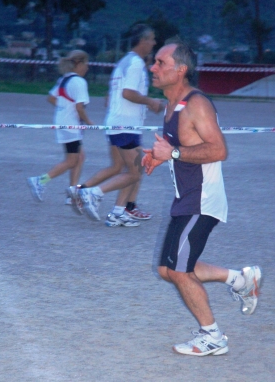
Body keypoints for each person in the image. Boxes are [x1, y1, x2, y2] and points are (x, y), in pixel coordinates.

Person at [141, 41, 262, 356]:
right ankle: (240, 279)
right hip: (187, 199)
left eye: (160, 63)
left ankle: (213, 337)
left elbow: (218, 150)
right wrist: (161, 157)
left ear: (180, 69)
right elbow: (178, 147)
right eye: (154, 62)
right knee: (168, 270)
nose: (153, 68)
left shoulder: (197, 104)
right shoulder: (172, 106)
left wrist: (174, 152)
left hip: (202, 201)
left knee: (180, 271)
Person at [68, 24, 163, 226]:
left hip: (120, 123)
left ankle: (118, 212)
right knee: (135, 171)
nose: (154, 43)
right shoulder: (136, 63)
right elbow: (127, 93)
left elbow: (112, 95)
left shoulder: (124, 61)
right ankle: (92, 193)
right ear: (143, 40)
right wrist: (151, 102)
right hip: (125, 125)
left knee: (127, 167)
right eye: (152, 39)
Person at [27, 50, 93, 203]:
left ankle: (73, 193)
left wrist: (64, 108)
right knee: (72, 160)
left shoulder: (64, 79)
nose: (88, 68)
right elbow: (80, 108)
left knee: (80, 157)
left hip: (63, 123)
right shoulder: (79, 82)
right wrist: (89, 122)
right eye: (87, 64)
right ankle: (40, 181)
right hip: (71, 126)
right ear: (79, 63)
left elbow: (51, 98)